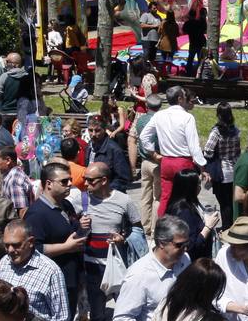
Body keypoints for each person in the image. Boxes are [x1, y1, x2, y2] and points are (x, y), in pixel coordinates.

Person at [112, 216, 191, 321]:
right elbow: (122, 318)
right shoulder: (139, 275)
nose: (185, 249)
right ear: (161, 243)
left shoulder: (184, 260)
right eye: (179, 245)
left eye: (186, 244)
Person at [25, 162, 89, 321]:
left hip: (73, 275)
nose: (70, 184)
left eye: (70, 180)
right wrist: (66, 247)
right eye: (64, 181)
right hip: (55, 282)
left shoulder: (66, 205)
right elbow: (33, 249)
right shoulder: (36, 214)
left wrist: (80, 226)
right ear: (49, 184)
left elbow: (70, 232)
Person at [79, 161, 142, 321]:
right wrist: (79, 226)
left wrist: (124, 239)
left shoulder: (124, 200)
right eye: (85, 179)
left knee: (127, 311)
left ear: (104, 180)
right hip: (92, 266)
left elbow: (137, 229)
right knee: (97, 315)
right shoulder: (82, 200)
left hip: (117, 266)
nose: (85, 184)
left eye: (90, 180)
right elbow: (71, 230)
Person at [0, 219, 70, 321]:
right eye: (6, 245)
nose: (10, 250)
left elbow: (61, 318)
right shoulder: (4, 262)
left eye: (16, 245)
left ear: (30, 242)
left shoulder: (50, 271)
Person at [139, 86, 206, 216]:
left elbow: (144, 136)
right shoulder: (187, 117)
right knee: (186, 198)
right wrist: (202, 166)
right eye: (185, 96)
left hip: (166, 162)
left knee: (165, 197)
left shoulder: (159, 115)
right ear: (180, 99)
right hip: (183, 162)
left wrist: (153, 153)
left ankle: (162, 224)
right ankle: (185, 222)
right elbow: (194, 146)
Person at [131, 93, 164, 228]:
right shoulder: (161, 121)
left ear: (146, 104)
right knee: (157, 197)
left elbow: (134, 138)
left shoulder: (140, 120)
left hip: (144, 161)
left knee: (145, 197)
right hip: (157, 161)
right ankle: (155, 228)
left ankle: (145, 227)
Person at [204, 103, 240, 218]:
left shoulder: (216, 132)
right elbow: (238, 151)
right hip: (233, 169)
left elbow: (208, 151)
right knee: (230, 202)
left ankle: (226, 225)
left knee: (224, 204)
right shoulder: (236, 130)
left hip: (221, 171)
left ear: (218, 115)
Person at [85, 116, 132, 192]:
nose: (93, 134)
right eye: (90, 130)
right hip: (92, 193)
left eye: (97, 130)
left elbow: (123, 178)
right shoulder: (90, 146)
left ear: (104, 130)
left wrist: (108, 191)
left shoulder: (114, 150)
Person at [184, 8, 207, 74]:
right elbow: (204, 30)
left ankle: (188, 72)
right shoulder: (198, 22)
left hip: (193, 43)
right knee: (200, 59)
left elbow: (184, 30)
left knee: (191, 58)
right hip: (200, 43)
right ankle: (200, 72)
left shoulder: (188, 23)